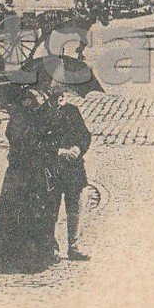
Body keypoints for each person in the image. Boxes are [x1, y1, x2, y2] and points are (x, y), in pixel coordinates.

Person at [0, 85, 58, 273]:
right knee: (17, 212)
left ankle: (36, 256)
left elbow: (49, 129)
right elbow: (27, 143)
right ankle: (16, 259)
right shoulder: (19, 120)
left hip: (32, 172)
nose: (35, 104)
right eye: (32, 100)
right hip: (21, 173)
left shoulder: (32, 116)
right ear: (25, 102)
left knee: (35, 212)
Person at [45, 80, 92, 261]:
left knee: (75, 206)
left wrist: (78, 149)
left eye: (62, 96)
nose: (60, 100)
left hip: (73, 168)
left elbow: (84, 135)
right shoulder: (43, 114)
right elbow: (39, 140)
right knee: (52, 207)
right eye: (56, 97)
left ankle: (74, 246)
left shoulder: (72, 111)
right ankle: (53, 249)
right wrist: (58, 151)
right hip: (53, 167)